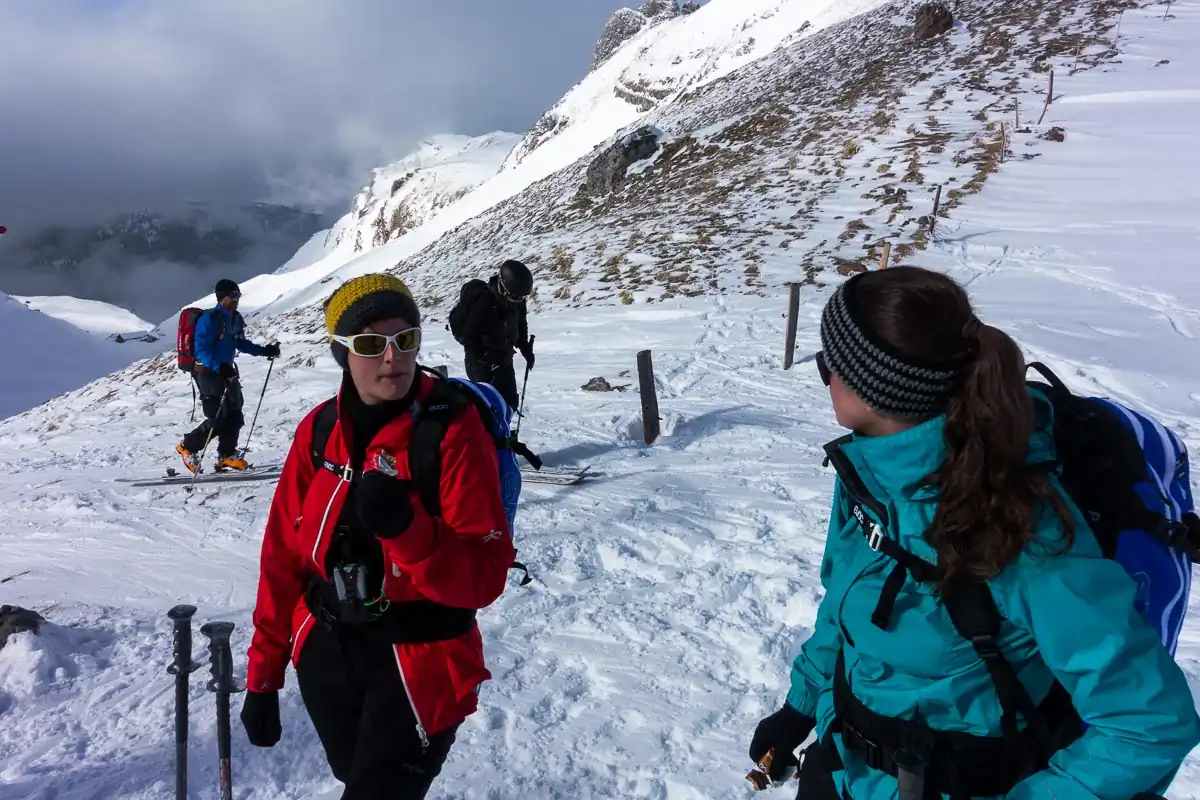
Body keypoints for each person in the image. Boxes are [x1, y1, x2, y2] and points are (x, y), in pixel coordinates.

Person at [748, 267, 1200, 799]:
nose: (823, 374)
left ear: (873, 390)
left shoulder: (1016, 529)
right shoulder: (872, 474)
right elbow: (844, 607)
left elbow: (1148, 726)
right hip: (845, 762)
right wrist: (800, 707)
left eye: (831, 363)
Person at [239, 273, 516, 799]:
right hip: (328, 651)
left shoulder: (452, 432)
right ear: (342, 353)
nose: (393, 357)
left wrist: (410, 533)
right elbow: (282, 556)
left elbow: (485, 578)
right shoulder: (319, 430)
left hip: (422, 661)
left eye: (405, 339)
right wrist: (264, 676)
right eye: (370, 344)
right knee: (354, 773)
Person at [177, 279, 279, 472]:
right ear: (221, 297)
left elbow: (240, 343)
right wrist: (219, 367)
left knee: (235, 413)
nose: (236, 299)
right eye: (233, 295)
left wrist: (264, 351)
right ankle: (187, 446)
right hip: (208, 373)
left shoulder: (234, 318)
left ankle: (226, 455)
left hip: (226, 371)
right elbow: (200, 350)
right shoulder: (210, 319)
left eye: (238, 295)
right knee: (218, 417)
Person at [448, 258, 535, 409]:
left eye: (522, 297)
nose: (519, 301)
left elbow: (521, 324)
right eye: (515, 297)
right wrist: (483, 363)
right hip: (482, 363)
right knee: (488, 409)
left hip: (504, 358)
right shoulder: (484, 303)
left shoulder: (517, 299)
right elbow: (470, 338)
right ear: (503, 287)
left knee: (510, 404)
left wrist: (525, 349)